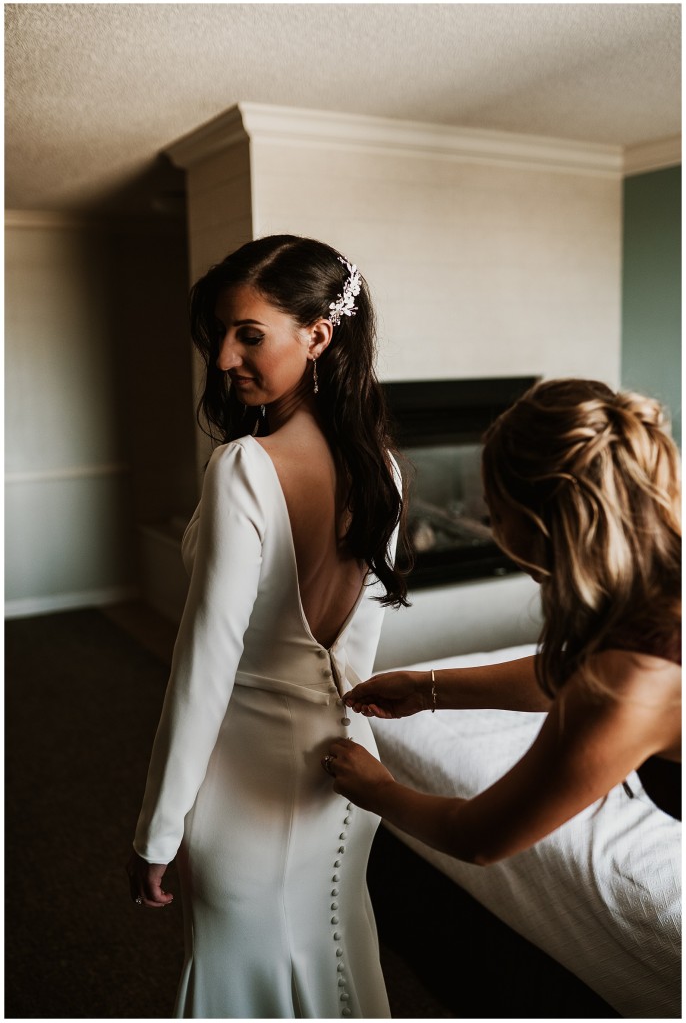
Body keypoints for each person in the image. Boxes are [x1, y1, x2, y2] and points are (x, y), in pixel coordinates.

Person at [126, 235, 408, 1019]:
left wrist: (159, 829)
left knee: (241, 978)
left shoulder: (246, 467)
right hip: (347, 770)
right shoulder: (381, 467)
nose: (222, 357)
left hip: (246, 780)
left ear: (319, 334)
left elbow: (203, 666)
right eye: (219, 334)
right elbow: (357, 648)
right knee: (333, 953)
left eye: (249, 334)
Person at [323, 378, 681, 865]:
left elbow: (479, 837)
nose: (490, 526)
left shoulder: (633, 682)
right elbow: (567, 674)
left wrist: (378, 789)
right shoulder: (656, 581)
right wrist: (427, 687)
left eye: (494, 513)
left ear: (540, 526)